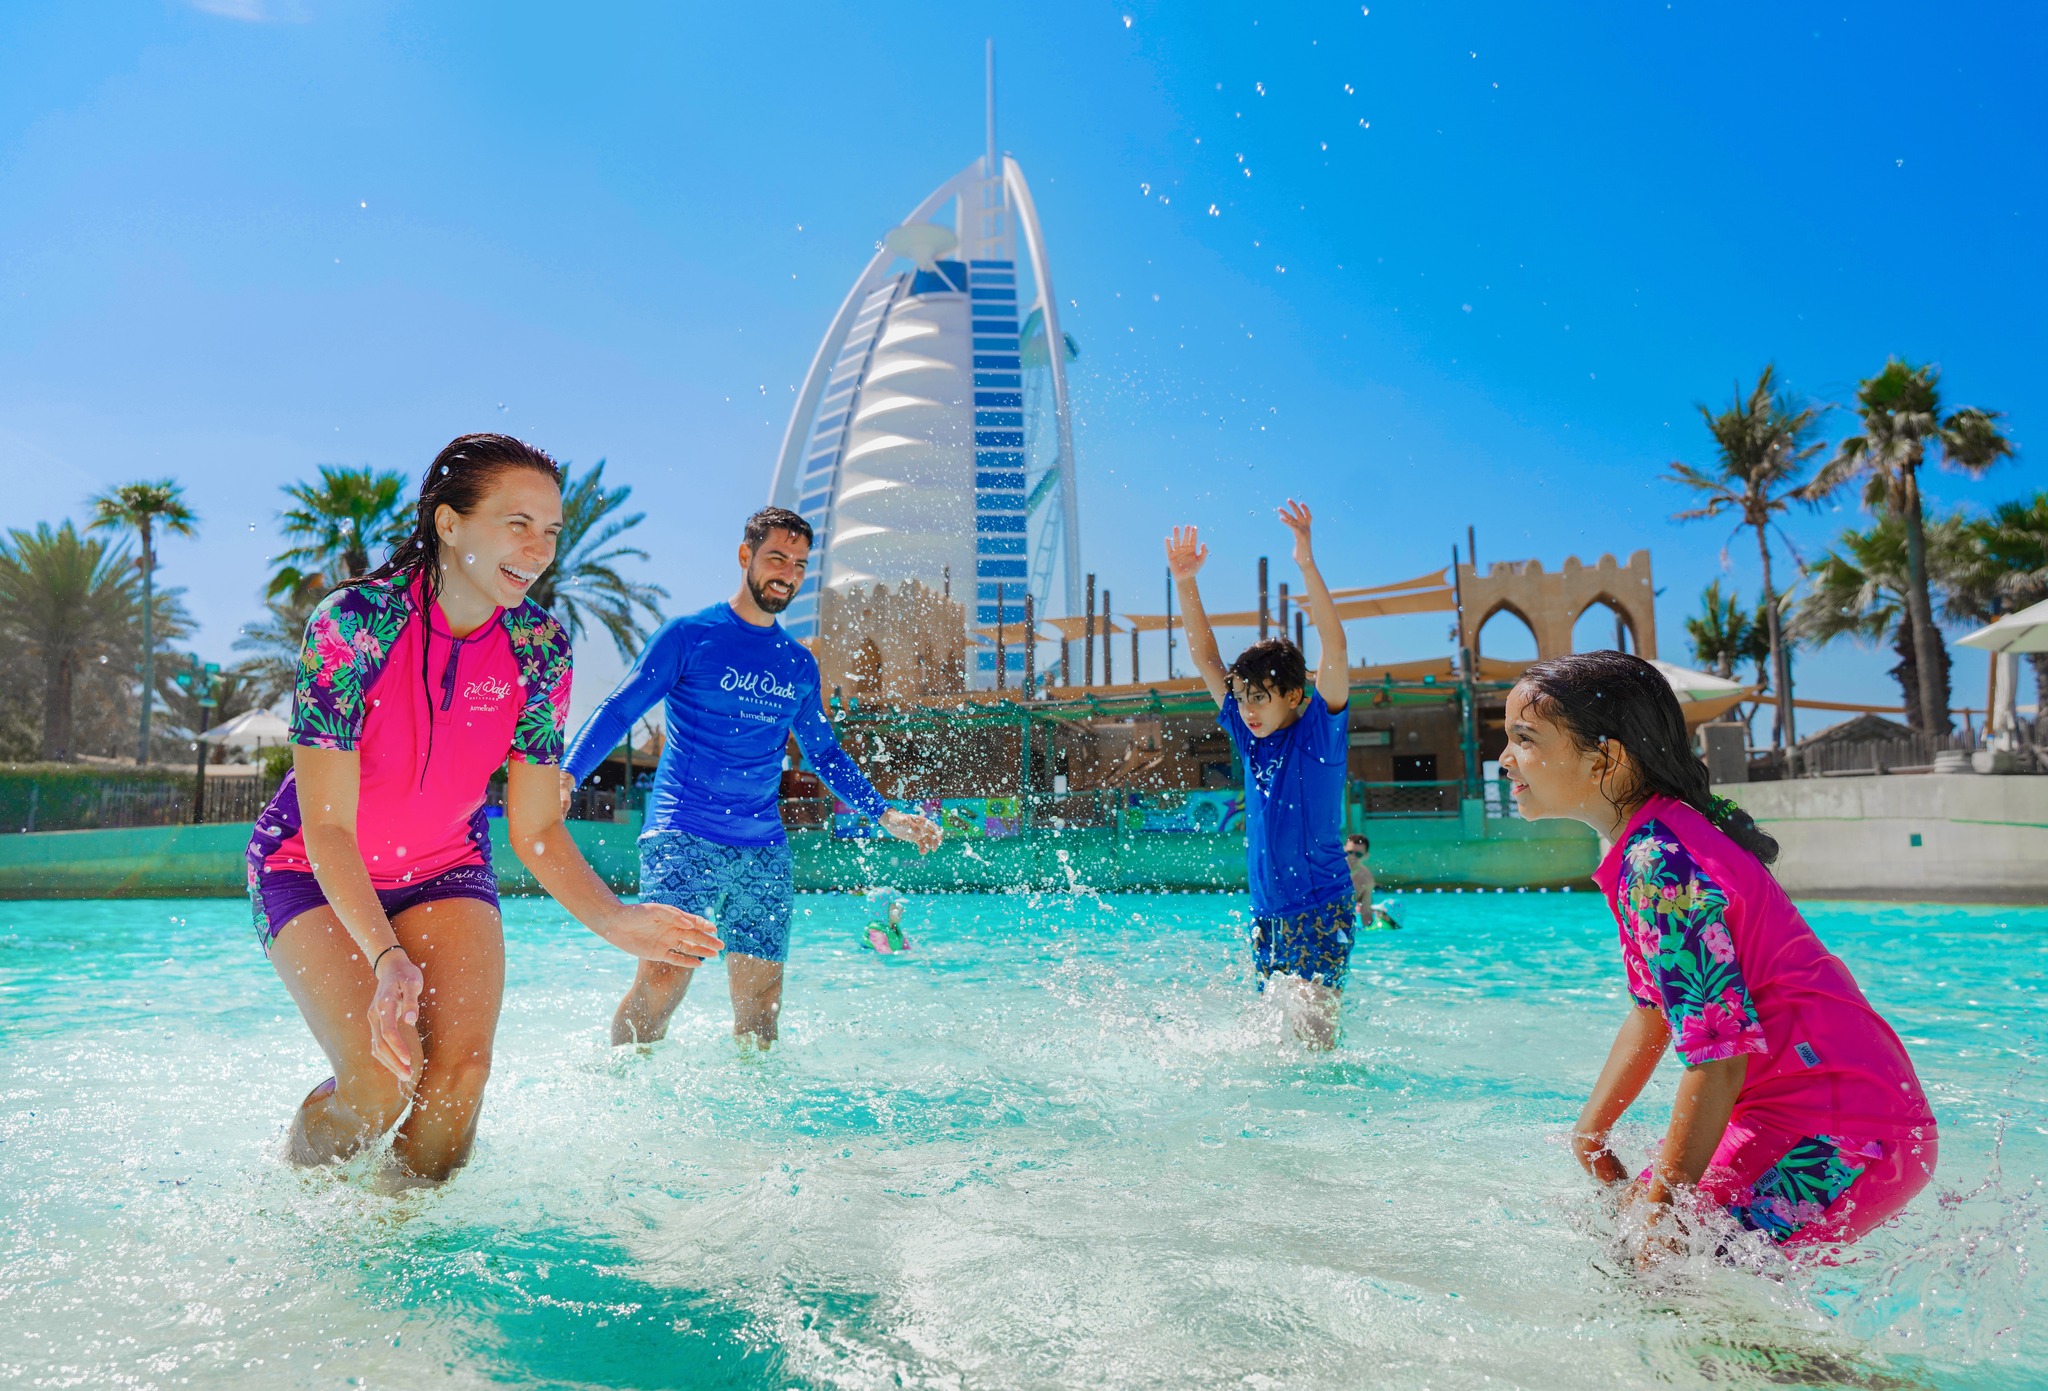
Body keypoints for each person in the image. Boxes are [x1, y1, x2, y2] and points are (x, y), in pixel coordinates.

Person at [248, 434, 722, 1185]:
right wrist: (387, 958)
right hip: (310, 866)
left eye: (551, 531)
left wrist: (617, 920)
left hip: (444, 866)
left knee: (460, 1078)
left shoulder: (539, 649)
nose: (539, 550)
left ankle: (401, 1236)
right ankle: (297, 1186)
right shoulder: (356, 624)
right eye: (518, 524)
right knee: (379, 1083)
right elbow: (329, 825)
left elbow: (535, 827)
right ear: (449, 522)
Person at [1499, 650, 1937, 1261]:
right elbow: (1653, 1010)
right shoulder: (1653, 844)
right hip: (1828, 1113)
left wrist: (1663, 1210)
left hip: (1839, 1134)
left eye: (1524, 738)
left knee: (1663, 1270)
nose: (1504, 758)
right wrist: (1591, 1132)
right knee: (1628, 1248)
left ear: (1605, 758)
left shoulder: (1661, 866)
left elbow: (1721, 1056)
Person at [561, 506, 942, 1048]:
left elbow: (824, 753)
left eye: (799, 564)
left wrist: (884, 813)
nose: (788, 573)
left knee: (763, 1004)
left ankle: (755, 1102)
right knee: (664, 979)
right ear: (746, 555)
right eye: (777, 558)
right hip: (683, 835)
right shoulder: (690, 636)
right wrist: (569, 774)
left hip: (762, 849)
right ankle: (622, 1084)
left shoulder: (797, 663)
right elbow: (621, 708)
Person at [1166, 501, 1354, 1047]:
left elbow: (1336, 647)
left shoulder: (1319, 734)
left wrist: (1306, 562)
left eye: (1260, 698)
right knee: (1277, 1045)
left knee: (1314, 1045)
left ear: (1294, 695)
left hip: (1319, 906)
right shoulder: (1250, 738)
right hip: (1266, 913)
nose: (1247, 709)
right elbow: (1207, 661)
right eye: (1242, 697)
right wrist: (1185, 583)